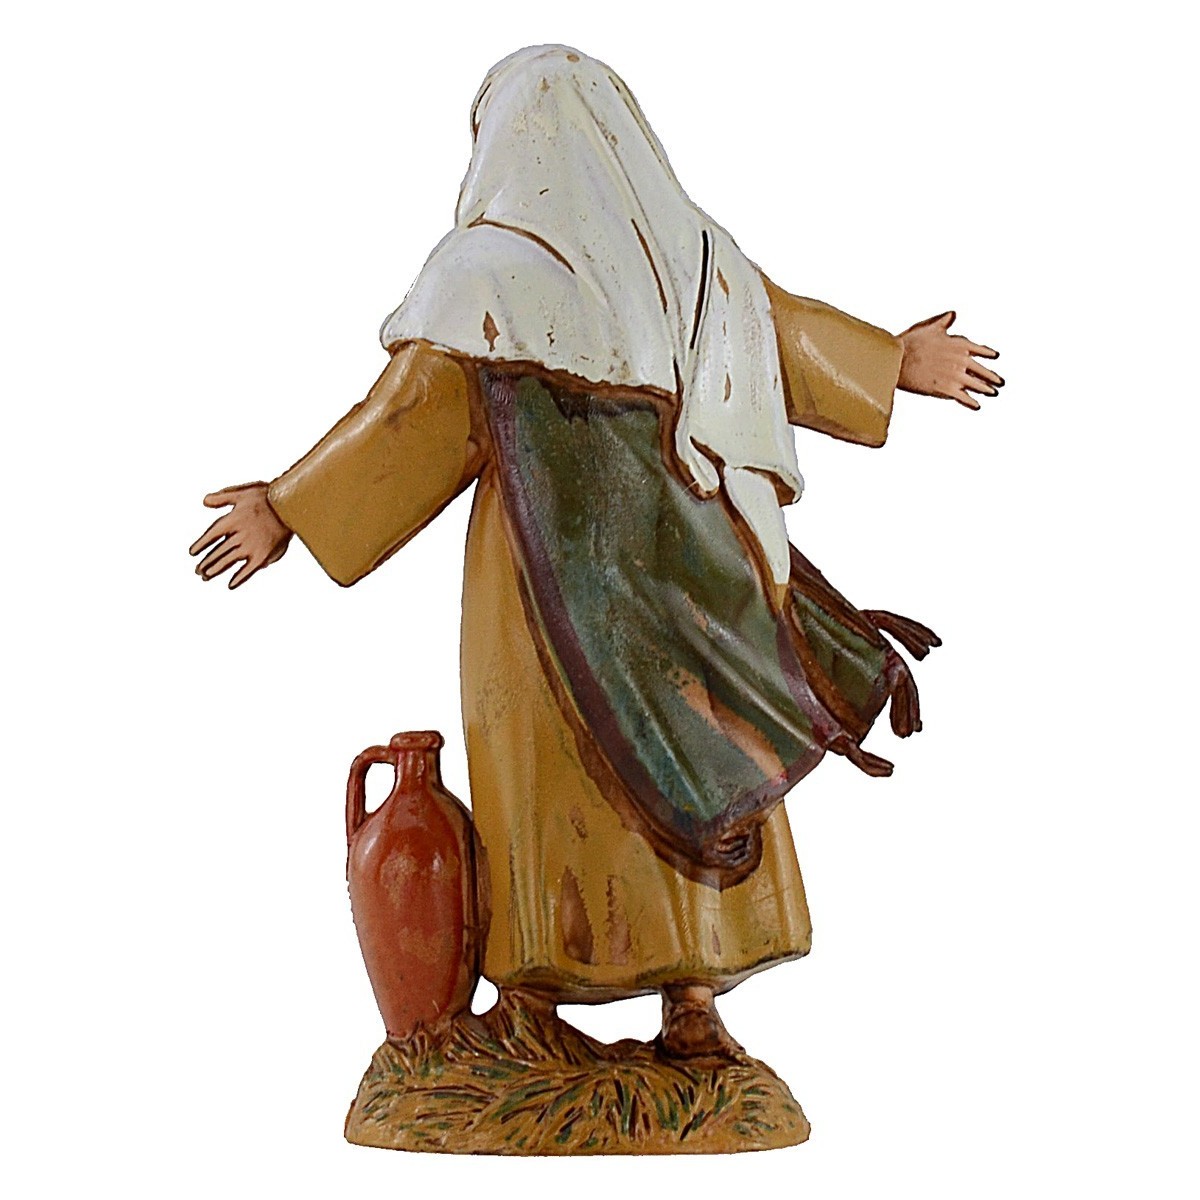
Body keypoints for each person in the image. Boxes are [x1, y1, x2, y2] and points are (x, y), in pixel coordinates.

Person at [191, 46, 1002, 1058]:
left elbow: (410, 419)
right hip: (688, 565)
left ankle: (540, 999)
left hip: (536, 588)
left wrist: (289, 507)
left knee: (552, 763)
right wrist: (893, 360)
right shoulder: (692, 263)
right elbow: (785, 336)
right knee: (690, 742)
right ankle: (687, 1001)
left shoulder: (487, 277)